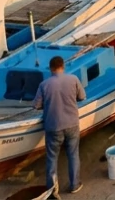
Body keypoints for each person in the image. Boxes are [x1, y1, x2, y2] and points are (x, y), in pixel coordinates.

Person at [33, 56, 85, 195]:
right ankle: (74, 185)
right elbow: (82, 97)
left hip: (53, 126)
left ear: (50, 68)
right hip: (72, 124)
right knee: (73, 154)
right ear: (63, 66)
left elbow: (36, 105)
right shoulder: (73, 79)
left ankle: (52, 190)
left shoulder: (44, 85)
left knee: (52, 157)